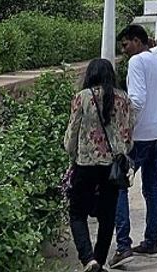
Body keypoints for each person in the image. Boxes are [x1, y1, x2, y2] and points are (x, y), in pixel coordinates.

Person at [110, 26, 157, 268]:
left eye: (126, 44)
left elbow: (136, 100)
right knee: (152, 188)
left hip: (139, 137)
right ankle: (151, 240)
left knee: (119, 187)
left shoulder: (137, 62)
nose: (124, 50)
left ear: (137, 41)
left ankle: (123, 245)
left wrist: (125, 130)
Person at [64, 59, 133, 272]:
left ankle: (88, 259)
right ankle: (100, 260)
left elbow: (71, 134)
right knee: (107, 216)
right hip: (112, 167)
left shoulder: (82, 98)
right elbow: (129, 136)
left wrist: (72, 152)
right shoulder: (123, 98)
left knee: (77, 213)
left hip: (85, 164)